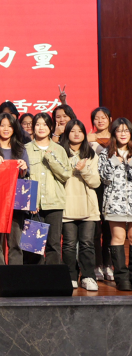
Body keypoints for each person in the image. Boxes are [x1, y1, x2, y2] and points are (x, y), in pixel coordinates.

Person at [0, 113, 30, 271]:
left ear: (14, 129)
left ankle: (15, 277)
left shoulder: (20, 150)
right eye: (2, 125)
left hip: (16, 202)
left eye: (9, 126)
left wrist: (23, 168)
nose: (6, 129)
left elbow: (26, 174)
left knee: (15, 243)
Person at [24, 112, 72, 266]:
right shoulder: (25, 149)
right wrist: (31, 201)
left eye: (45, 124)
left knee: (54, 244)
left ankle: (52, 277)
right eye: (37, 124)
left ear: (51, 127)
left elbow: (66, 175)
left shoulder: (59, 149)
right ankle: (34, 278)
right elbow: (23, 178)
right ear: (33, 128)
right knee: (32, 247)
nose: (41, 128)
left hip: (54, 203)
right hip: (33, 206)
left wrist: (51, 158)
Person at [59, 119, 101, 291]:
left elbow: (96, 182)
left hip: (88, 206)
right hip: (67, 204)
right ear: (66, 133)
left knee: (87, 243)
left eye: (80, 131)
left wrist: (83, 169)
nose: (76, 134)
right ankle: (70, 277)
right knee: (69, 244)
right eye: (72, 131)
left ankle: (88, 276)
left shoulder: (91, 154)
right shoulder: (60, 152)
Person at [98, 118, 132, 291]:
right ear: (114, 133)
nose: (123, 134)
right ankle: (122, 277)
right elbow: (103, 178)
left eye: (126, 130)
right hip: (115, 203)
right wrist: (114, 162)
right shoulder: (106, 153)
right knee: (118, 237)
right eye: (119, 130)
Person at [88, 107, 113, 280]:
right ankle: (97, 265)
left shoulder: (117, 137)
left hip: (112, 188)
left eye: (103, 117)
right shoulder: (88, 138)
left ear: (110, 119)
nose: (100, 121)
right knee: (95, 228)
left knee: (110, 228)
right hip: (95, 187)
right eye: (97, 118)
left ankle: (108, 265)